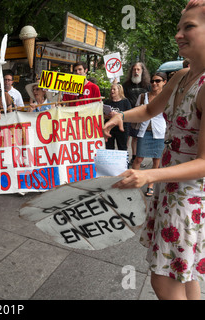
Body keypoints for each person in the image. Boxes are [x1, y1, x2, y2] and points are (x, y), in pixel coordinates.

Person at [103, 0, 205, 300]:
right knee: (184, 274)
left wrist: (149, 175)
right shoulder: (180, 77)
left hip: (188, 197)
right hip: (169, 190)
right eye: (178, 28)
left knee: (163, 281)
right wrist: (120, 115)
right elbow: (149, 110)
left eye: (189, 27)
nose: (178, 34)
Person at [131, 72, 167, 197]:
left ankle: (150, 185)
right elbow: (137, 112)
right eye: (152, 81)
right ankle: (133, 183)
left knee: (156, 160)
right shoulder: (143, 96)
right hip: (144, 130)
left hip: (160, 132)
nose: (154, 83)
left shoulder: (167, 97)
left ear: (164, 82)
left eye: (157, 81)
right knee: (138, 158)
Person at [122, 62, 152, 164]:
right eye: (134, 69)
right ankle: (125, 158)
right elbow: (122, 97)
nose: (136, 71)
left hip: (141, 115)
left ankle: (136, 158)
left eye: (138, 69)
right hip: (128, 114)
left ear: (142, 71)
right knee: (126, 137)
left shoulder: (147, 85)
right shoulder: (126, 85)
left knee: (137, 137)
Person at [103, 84, 131, 150]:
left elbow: (129, 115)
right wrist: (108, 116)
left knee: (122, 148)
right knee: (109, 148)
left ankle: (123, 160)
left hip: (122, 129)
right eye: (111, 89)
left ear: (119, 90)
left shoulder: (125, 102)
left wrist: (117, 115)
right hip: (110, 129)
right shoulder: (107, 102)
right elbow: (102, 115)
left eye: (114, 89)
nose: (112, 91)